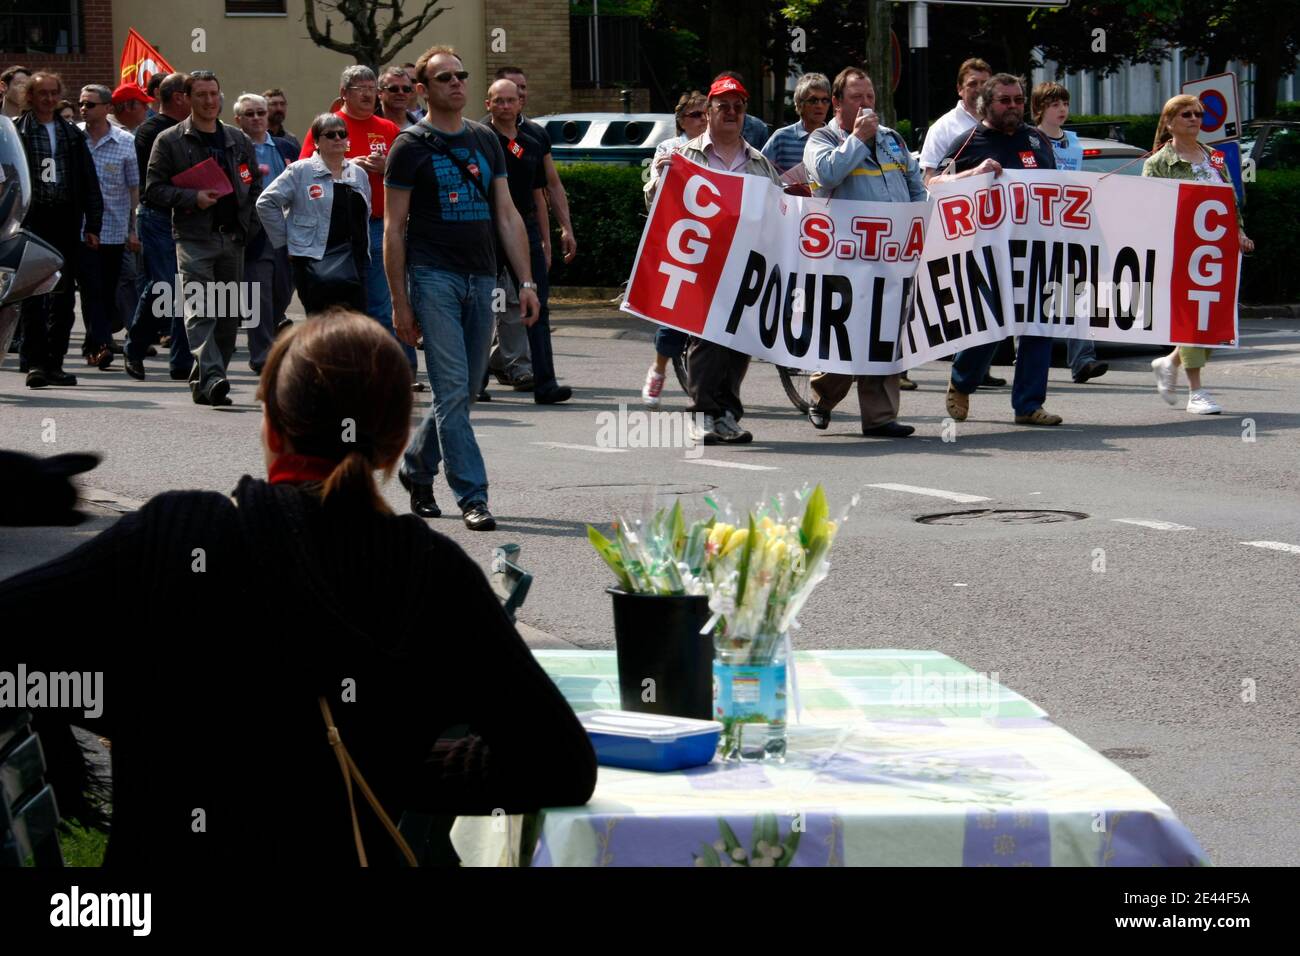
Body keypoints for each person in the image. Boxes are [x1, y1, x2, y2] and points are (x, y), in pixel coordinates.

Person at [0, 311, 598, 867]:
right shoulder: (430, 571)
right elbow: (557, 764)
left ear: (269, 424)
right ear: (394, 446)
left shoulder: (178, 535)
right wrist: (394, 762)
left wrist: (138, 702)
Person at [385, 45, 541, 529]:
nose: (456, 83)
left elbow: (508, 213)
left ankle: (414, 466)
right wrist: (399, 302)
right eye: (444, 77)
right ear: (422, 89)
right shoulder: (409, 146)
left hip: (483, 276)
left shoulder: (485, 139)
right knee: (451, 388)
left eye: (460, 75)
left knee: (467, 388)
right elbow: (394, 228)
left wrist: (527, 281)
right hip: (433, 279)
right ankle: (473, 496)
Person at [647, 74, 782, 445]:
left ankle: (727, 414)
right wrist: (660, 182)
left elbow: (778, 209)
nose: (731, 113)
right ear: (708, 112)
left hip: (745, 266)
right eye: (724, 106)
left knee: (738, 343)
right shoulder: (682, 156)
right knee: (707, 336)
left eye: (738, 107)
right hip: (701, 264)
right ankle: (703, 413)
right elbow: (654, 202)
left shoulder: (759, 164)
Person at [802, 67, 921, 440]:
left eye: (870, 97)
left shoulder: (892, 141)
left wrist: (922, 222)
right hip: (846, 260)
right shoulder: (822, 138)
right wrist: (856, 140)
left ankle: (880, 417)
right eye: (857, 97)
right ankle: (823, 396)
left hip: (893, 257)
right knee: (850, 337)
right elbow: (826, 175)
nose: (866, 104)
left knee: (886, 334)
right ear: (837, 102)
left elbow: (916, 186)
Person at [938, 72, 1062, 427]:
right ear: (986, 104)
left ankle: (1028, 405)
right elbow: (932, 182)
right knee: (990, 325)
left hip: (1037, 250)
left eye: (1018, 100)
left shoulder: (1038, 140)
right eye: (1005, 100)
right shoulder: (969, 142)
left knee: (1039, 325)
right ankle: (961, 381)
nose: (1013, 106)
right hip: (987, 253)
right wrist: (971, 174)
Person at [145, 70, 263, 407]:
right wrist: (191, 198)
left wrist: (248, 226)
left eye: (214, 93)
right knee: (200, 309)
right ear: (187, 98)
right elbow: (153, 190)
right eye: (201, 95)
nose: (209, 101)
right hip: (194, 237)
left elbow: (252, 183)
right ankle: (213, 376)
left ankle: (207, 381)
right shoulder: (170, 140)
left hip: (232, 238)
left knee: (228, 318)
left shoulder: (237, 139)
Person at [299, 66, 419, 384]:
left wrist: (387, 166)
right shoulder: (327, 127)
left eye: (371, 87)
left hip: (380, 228)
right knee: (341, 303)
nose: (368, 94)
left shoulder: (389, 129)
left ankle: (393, 373)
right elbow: (305, 171)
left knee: (384, 302)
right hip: (337, 235)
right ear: (344, 94)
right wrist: (349, 165)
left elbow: (412, 175)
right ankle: (338, 370)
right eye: (359, 88)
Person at [1144, 94, 1255, 415]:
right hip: (1181, 250)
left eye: (1198, 114)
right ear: (1169, 122)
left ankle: (1169, 362)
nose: (1194, 119)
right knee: (1192, 318)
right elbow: (1150, 208)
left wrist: (1239, 232)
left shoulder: (1215, 157)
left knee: (1212, 318)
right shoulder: (1158, 163)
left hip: (1217, 251)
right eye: (1186, 114)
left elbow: (1229, 200)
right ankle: (1197, 391)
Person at [484, 77, 570, 404]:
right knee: (485, 306)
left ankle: (545, 383)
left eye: (512, 100)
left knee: (538, 305)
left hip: (526, 231)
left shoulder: (535, 137)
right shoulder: (479, 137)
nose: (506, 106)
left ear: (521, 102)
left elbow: (543, 190)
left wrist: (556, 234)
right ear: (488, 103)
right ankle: (476, 382)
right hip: (489, 231)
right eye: (499, 100)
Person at [15, 71, 102, 389]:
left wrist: (93, 224)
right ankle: (34, 362)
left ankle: (55, 362)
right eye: (42, 94)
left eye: (54, 93)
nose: (49, 99)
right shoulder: (17, 131)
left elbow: (89, 182)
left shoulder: (71, 135)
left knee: (63, 297)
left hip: (65, 220)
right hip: (31, 220)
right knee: (33, 294)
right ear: (30, 97)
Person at [1030, 80, 1107, 385]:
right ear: (1039, 109)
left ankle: (1083, 360)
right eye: (1054, 104)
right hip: (1038, 228)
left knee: (1077, 291)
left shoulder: (1074, 143)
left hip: (1071, 228)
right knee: (1036, 295)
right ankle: (1028, 358)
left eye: (1065, 104)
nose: (1062, 109)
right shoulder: (1030, 139)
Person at [257, 113, 371, 314]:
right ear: (317, 141)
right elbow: (266, 202)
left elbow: (365, 213)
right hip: (312, 259)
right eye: (330, 135)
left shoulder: (358, 173)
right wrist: (285, 241)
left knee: (354, 324)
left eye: (342, 134)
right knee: (320, 323)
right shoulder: (300, 170)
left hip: (353, 260)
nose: (337, 138)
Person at [640, 90, 708, 409]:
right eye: (696, 115)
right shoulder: (669, 148)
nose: (703, 120)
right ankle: (659, 369)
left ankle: (712, 387)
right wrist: (664, 174)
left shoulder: (719, 147)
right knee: (676, 313)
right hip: (680, 241)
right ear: (681, 120)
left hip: (714, 240)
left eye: (707, 113)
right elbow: (652, 194)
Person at [124, 72, 193, 381]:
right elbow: (157, 181)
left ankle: (180, 361)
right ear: (179, 97)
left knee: (183, 289)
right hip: (158, 217)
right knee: (164, 286)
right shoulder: (152, 131)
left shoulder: (192, 129)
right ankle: (134, 347)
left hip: (188, 217)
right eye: (196, 94)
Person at [76, 84, 138, 372]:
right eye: (82, 104)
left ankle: (95, 341)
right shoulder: (74, 137)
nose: (84, 109)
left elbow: (133, 188)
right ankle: (99, 345)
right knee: (91, 290)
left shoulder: (125, 141)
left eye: (90, 104)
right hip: (81, 228)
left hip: (113, 228)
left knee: (108, 288)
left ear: (107, 108)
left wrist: (132, 229)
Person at [234, 92, 297, 372]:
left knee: (283, 292)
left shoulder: (286, 147)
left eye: (261, 112)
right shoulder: (235, 149)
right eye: (250, 114)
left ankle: (270, 340)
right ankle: (261, 356)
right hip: (255, 234)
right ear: (239, 120)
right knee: (257, 296)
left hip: (288, 232)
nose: (257, 118)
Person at [490, 67, 578, 266]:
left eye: (523, 87)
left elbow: (548, 186)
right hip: (492, 228)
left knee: (536, 289)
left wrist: (564, 229)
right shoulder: (482, 134)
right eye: (513, 87)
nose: (519, 92)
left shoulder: (536, 135)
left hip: (528, 226)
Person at [920, 57, 990, 184]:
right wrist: (972, 174)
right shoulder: (942, 128)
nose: (979, 89)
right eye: (972, 84)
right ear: (959, 89)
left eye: (984, 83)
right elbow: (928, 180)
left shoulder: (1002, 124)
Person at [761, 72, 830, 174]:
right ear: (799, 104)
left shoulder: (836, 138)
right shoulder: (781, 137)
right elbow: (760, 171)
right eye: (813, 100)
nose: (820, 105)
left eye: (825, 100)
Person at [376, 65, 420, 130]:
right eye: (394, 89)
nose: (401, 93)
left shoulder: (421, 130)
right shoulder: (366, 125)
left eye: (406, 89)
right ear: (379, 93)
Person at [263, 88, 300, 154]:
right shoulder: (258, 137)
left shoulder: (291, 140)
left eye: (282, 104)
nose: (279, 108)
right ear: (263, 108)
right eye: (274, 104)